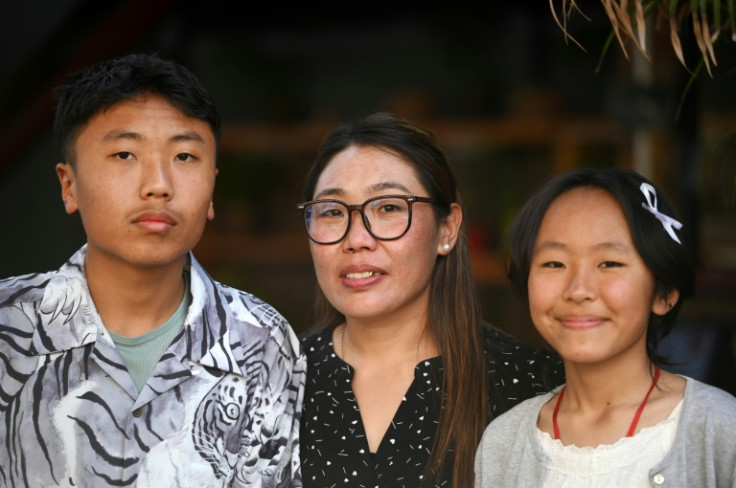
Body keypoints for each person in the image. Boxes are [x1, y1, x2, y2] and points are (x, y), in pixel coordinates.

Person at [0, 53, 305, 487]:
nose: (159, 183)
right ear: (69, 186)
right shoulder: (8, 327)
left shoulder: (262, 340)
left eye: (184, 157)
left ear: (212, 187)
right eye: (124, 154)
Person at [296, 112, 564, 487]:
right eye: (332, 212)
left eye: (388, 207)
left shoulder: (533, 386)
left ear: (447, 228)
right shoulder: (273, 381)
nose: (356, 238)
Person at [475, 167, 736, 487]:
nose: (578, 290)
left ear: (664, 292)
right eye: (554, 263)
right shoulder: (504, 442)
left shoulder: (720, 429)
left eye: (609, 263)